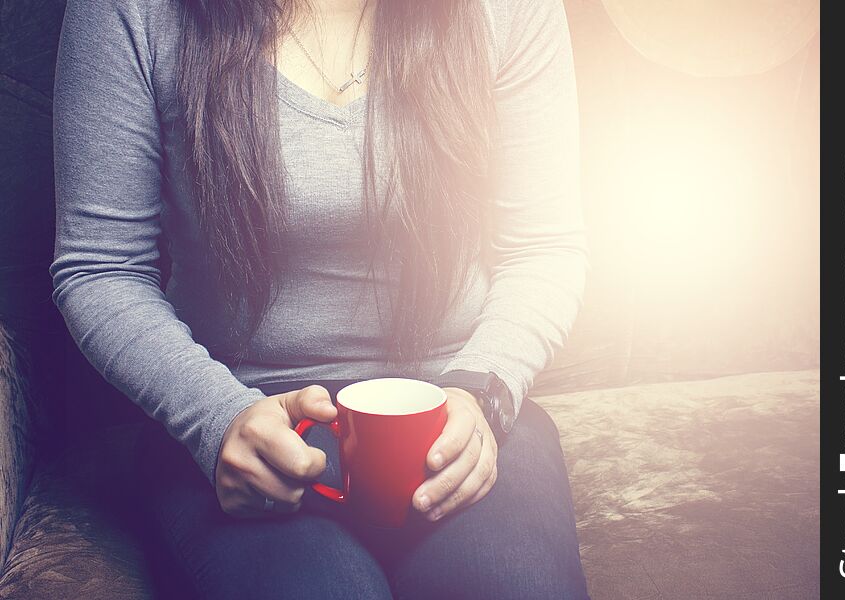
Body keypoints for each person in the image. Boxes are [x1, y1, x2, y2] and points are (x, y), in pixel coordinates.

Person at [50, 0, 591, 597]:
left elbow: (544, 245)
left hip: (454, 411)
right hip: (248, 421)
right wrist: (217, 418)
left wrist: (483, 391)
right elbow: (101, 266)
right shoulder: (128, 11)